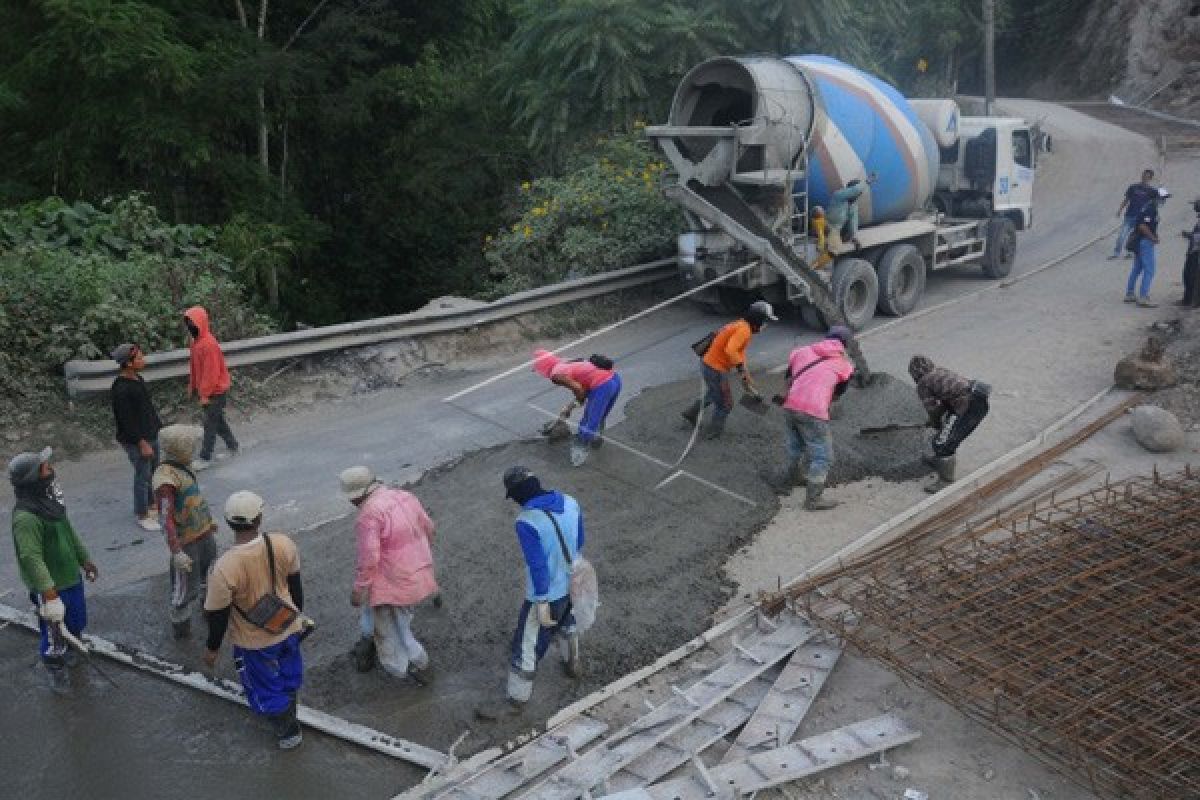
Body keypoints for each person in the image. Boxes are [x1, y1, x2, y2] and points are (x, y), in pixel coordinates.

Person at [204, 491, 307, 750]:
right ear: (259, 518)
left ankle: (288, 733)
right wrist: (296, 618)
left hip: (254, 641)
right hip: (288, 625)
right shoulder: (283, 544)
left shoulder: (224, 568)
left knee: (265, 686)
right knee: (289, 674)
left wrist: (212, 650)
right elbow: (296, 590)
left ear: (228, 523)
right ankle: (290, 712)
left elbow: (218, 617)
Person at [479, 466, 583, 719]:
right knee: (568, 622)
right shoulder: (570, 502)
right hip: (574, 581)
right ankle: (573, 664)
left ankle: (516, 700)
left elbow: (537, 566)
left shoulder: (526, 522)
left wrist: (541, 601)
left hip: (548, 592)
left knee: (527, 644)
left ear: (517, 495)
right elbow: (579, 541)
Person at [9, 447, 99, 692]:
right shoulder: (26, 518)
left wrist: (84, 559)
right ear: (33, 479)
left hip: (70, 576)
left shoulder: (51, 503)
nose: (51, 471)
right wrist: (48, 593)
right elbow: (31, 557)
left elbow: (69, 532)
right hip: (50, 587)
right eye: (45, 468)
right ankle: (55, 667)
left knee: (76, 619)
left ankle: (73, 647)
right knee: (54, 634)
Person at [341, 466, 437, 684]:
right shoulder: (405, 496)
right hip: (418, 573)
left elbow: (369, 559)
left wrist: (358, 590)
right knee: (400, 622)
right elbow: (429, 529)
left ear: (357, 496)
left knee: (392, 634)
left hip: (393, 583)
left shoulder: (368, 515)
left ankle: (412, 667)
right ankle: (412, 663)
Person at [768, 327, 855, 510]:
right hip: (813, 412)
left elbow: (789, 377)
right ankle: (813, 500)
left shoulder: (802, 352)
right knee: (823, 457)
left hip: (790, 406)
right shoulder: (844, 365)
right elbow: (838, 393)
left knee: (796, 447)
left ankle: (788, 481)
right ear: (844, 345)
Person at [152, 424, 218, 639]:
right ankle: (181, 624)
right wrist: (176, 551)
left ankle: (209, 609)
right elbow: (165, 518)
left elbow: (195, 497)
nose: (195, 449)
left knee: (210, 573)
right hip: (186, 542)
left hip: (203, 533)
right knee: (183, 589)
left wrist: (208, 521)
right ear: (180, 448)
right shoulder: (165, 480)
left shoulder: (183, 466)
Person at [682, 300, 777, 439]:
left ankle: (691, 413)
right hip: (715, 369)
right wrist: (739, 369)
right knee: (726, 404)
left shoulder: (740, 325)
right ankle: (713, 433)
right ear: (758, 320)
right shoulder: (744, 330)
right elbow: (731, 350)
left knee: (714, 393)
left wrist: (746, 376)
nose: (766, 325)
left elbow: (739, 352)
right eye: (765, 321)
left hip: (708, 364)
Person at [908, 355, 991, 493]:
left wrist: (935, 422)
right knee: (944, 436)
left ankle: (946, 481)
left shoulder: (923, 383)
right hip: (977, 398)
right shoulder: (940, 371)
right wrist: (936, 421)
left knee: (942, 443)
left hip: (969, 407)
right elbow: (948, 399)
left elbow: (933, 409)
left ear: (915, 375)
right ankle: (939, 459)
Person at [532, 351, 623, 467]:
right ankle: (596, 437)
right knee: (599, 416)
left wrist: (572, 405)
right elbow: (585, 379)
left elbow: (579, 389)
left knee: (588, 420)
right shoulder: (563, 361)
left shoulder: (555, 375)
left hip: (602, 386)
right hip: (615, 379)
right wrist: (571, 406)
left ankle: (581, 447)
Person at [110, 342, 163, 532]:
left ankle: (152, 505)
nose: (143, 360)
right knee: (143, 475)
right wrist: (142, 443)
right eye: (139, 358)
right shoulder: (121, 389)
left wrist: (158, 428)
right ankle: (142, 514)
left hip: (151, 433)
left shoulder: (137, 379)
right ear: (129, 363)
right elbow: (126, 421)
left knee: (154, 471)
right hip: (137, 440)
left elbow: (147, 409)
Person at [185, 305, 238, 468]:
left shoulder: (208, 344)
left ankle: (205, 457)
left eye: (191, 323)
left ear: (200, 322)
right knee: (217, 421)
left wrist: (205, 395)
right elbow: (195, 368)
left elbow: (211, 373)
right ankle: (233, 446)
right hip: (208, 391)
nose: (189, 326)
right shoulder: (196, 343)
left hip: (216, 391)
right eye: (187, 323)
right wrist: (192, 386)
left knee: (210, 424)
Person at [1123, 187, 1169, 308]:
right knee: (1150, 270)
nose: (1164, 201)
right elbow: (1143, 226)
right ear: (1156, 198)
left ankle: (1130, 293)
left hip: (1140, 241)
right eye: (1163, 198)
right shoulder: (1150, 209)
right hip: (1145, 242)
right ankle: (1143, 297)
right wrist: (1153, 238)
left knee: (1137, 268)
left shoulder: (1147, 206)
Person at [1109, 169, 1158, 260]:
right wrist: (1120, 210)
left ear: (1150, 178)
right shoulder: (1133, 187)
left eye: (1147, 177)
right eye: (1144, 175)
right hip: (1129, 216)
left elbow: (1155, 205)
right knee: (1122, 235)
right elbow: (1126, 200)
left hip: (1140, 219)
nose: (1144, 178)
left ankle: (1130, 253)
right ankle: (1116, 253)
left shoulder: (1152, 191)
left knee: (1134, 237)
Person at [825, 173, 877, 252]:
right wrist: (867, 182)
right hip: (827, 226)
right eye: (857, 193)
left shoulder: (853, 205)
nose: (858, 195)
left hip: (835, 230)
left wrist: (854, 237)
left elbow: (853, 222)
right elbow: (855, 190)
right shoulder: (839, 196)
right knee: (835, 249)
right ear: (849, 190)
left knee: (837, 245)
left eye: (859, 194)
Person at [1180, 197, 1200, 308]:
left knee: (1192, 277)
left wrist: (1189, 235)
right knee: (1187, 275)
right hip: (1193, 252)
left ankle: (1193, 301)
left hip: (1197, 253)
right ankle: (1188, 299)